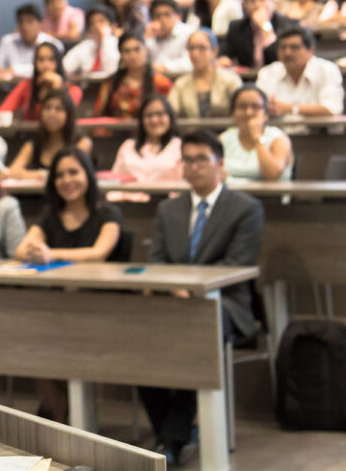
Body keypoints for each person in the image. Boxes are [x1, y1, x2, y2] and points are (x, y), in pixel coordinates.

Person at [137, 129, 263, 466]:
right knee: (133, 333)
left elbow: (236, 265)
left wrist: (189, 291)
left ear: (220, 163)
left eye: (201, 160)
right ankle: (171, 430)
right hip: (172, 301)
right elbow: (158, 261)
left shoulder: (245, 209)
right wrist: (172, 289)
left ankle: (171, 438)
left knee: (199, 326)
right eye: (187, 160)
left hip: (224, 303)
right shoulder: (169, 209)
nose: (193, 167)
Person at [16, 148, 123, 423]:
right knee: (29, 336)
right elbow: (21, 250)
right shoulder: (50, 215)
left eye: (73, 172)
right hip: (55, 307)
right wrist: (34, 250)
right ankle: (58, 406)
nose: (67, 180)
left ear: (88, 175)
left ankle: (58, 413)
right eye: (60, 174)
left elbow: (98, 252)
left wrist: (53, 253)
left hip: (99, 308)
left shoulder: (108, 213)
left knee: (50, 334)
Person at [256, 27, 345, 117]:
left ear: (310, 50)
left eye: (294, 47)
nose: (287, 53)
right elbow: (257, 107)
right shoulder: (267, 72)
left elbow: (331, 109)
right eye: (283, 47)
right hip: (278, 129)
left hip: (318, 129)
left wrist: (289, 108)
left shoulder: (327, 70)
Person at [6, 90, 94, 181]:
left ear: (69, 114)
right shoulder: (33, 144)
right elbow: (12, 171)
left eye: (58, 109)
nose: (51, 113)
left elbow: (74, 175)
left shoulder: (82, 143)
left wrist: (40, 175)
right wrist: (41, 174)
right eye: (47, 108)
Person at [219, 85, 293, 181]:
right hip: (231, 195)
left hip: (269, 196)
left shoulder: (279, 138)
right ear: (233, 113)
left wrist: (257, 138)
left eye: (255, 107)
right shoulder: (224, 138)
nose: (248, 112)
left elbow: (272, 174)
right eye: (242, 107)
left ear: (266, 114)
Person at [0, 42, 82, 122]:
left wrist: (57, 86)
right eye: (41, 60)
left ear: (58, 63)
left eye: (51, 59)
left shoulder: (73, 90)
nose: (46, 65)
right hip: (31, 136)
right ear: (35, 63)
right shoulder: (26, 85)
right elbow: (2, 111)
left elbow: (66, 118)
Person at [220, 0, 298, 68]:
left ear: (271, 1)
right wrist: (223, 60)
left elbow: (279, 60)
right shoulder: (236, 27)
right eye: (252, 1)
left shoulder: (288, 25)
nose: (257, 5)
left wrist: (265, 26)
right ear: (244, 4)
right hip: (248, 79)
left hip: (277, 78)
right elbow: (223, 55)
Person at [94, 33, 173, 118]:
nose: (132, 56)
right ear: (121, 55)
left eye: (137, 49)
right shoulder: (110, 84)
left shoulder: (161, 83)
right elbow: (98, 115)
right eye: (127, 51)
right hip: (116, 129)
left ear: (146, 51)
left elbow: (169, 115)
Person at [168, 28, 243, 118]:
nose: (195, 54)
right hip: (190, 131)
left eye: (202, 48)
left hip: (226, 131)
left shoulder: (231, 80)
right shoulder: (180, 84)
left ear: (214, 51)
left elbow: (242, 108)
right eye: (191, 48)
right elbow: (170, 113)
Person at [110, 95, 183, 182]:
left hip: (167, 195)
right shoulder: (128, 145)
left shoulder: (179, 146)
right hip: (128, 194)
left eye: (160, 114)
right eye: (149, 115)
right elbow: (114, 179)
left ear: (169, 117)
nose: (154, 120)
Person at [0, 3, 64, 78]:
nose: (24, 26)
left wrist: (15, 70)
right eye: (21, 22)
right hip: (10, 89)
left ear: (40, 24)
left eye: (29, 21)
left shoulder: (52, 44)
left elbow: (53, 69)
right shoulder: (8, 41)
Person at [62, 5, 120, 77]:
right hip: (87, 85)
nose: (96, 26)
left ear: (113, 26)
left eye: (101, 21)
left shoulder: (118, 44)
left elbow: (111, 71)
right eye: (92, 23)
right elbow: (65, 66)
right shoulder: (86, 45)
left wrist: (106, 39)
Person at [146, 0, 193, 75]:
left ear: (179, 16)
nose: (162, 19)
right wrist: (146, 38)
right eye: (157, 16)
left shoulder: (189, 33)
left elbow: (190, 63)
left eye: (167, 14)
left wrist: (165, 67)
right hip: (155, 80)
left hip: (181, 78)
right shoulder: (151, 34)